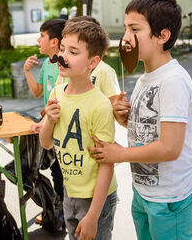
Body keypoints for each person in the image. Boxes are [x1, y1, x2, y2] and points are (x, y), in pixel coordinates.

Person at [89, 0, 192, 240]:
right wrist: (124, 118)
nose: (126, 37)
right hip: (145, 193)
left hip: (170, 200)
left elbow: (170, 147)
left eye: (134, 28)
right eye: (126, 27)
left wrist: (120, 154)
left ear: (162, 35)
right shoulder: (144, 78)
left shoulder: (173, 81)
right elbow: (148, 130)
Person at [39, 20, 118, 240]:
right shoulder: (56, 92)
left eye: (73, 52)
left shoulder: (100, 105)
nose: (62, 56)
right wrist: (50, 122)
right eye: (62, 49)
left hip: (96, 199)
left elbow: (107, 163)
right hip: (69, 191)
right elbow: (46, 143)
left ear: (93, 61)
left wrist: (93, 216)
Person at [23, 18, 66, 217]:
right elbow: (37, 92)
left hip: (60, 126)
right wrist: (26, 71)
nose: (38, 40)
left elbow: (62, 98)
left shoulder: (63, 66)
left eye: (42, 36)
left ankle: (61, 214)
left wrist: (43, 119)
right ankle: (58, 211)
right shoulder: (47, 64)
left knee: (60, 173)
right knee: (56, 171)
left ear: (54, 41)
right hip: (49, 125)